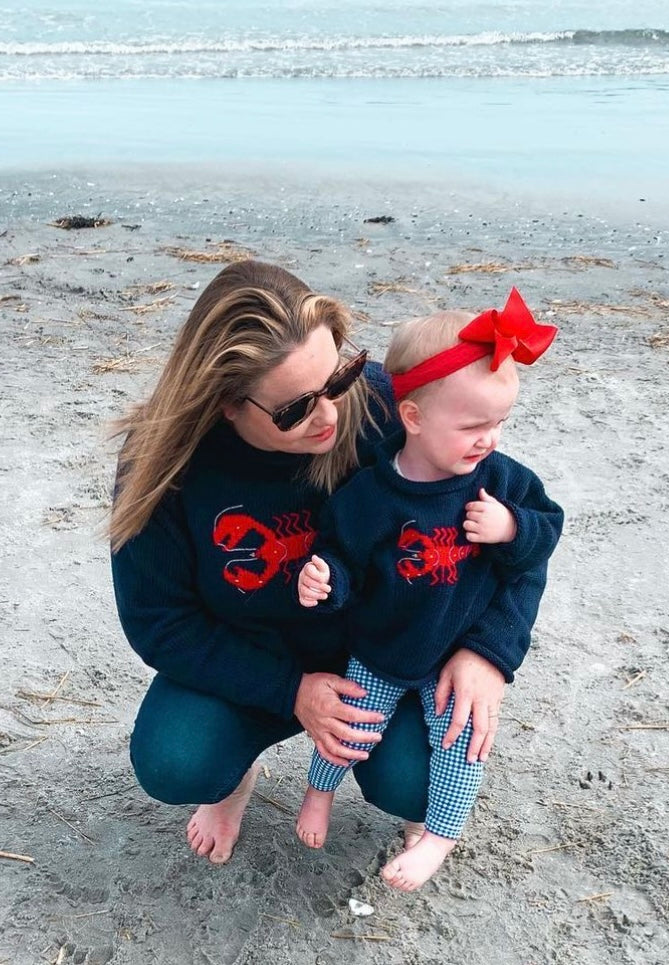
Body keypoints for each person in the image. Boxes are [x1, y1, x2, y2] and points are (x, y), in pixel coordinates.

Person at [110, 261, 533, 866]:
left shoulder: (394, 404)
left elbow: (519, 537)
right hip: (254, 654)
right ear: (225, 403)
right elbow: (159, 622)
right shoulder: (163, 462)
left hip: (382, 652)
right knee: (177, 763)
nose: (331, 415)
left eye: (339, 378)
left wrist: (489, 651)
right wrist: (290, 690)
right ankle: (233, 782)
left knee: (412, 783)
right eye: (294, 409)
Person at [295, 289, 564, 891]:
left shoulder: (501, 481)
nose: (489, 439)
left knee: (462, 739)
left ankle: (440, 834)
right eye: (473, 426)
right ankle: (318, 794)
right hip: (381, 649)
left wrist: (512, 528)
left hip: (453, 658)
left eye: (499, 423)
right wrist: (326, 582)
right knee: (348, 723)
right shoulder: (368, 495)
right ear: (412, 417)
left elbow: (548, 533)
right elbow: (344, 560)